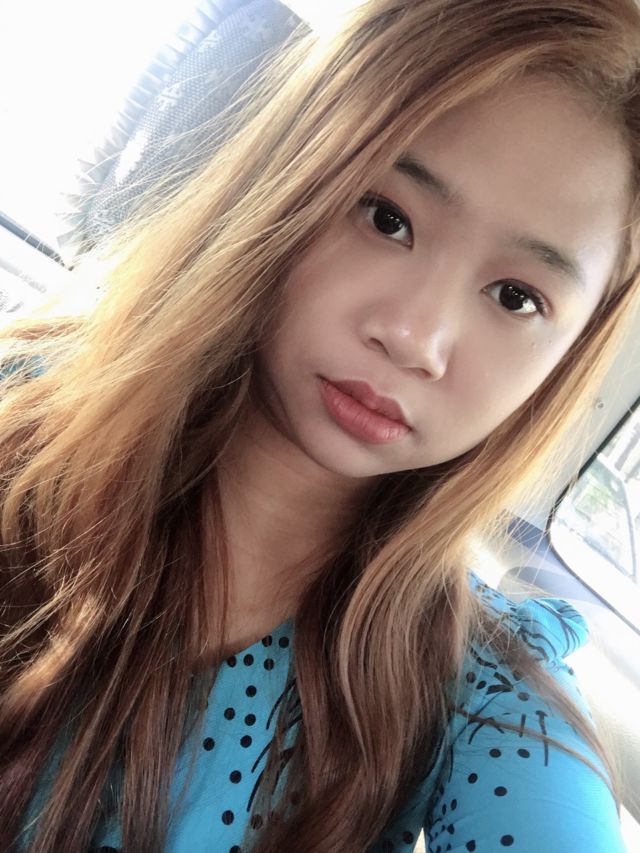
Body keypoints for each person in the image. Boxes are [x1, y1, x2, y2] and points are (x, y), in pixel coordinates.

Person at [0, 0, 637, 850]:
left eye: (517, 297)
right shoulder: (19, 416)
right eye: (386, 217)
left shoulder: (483, 692)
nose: (413, 337)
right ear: (296, 171)